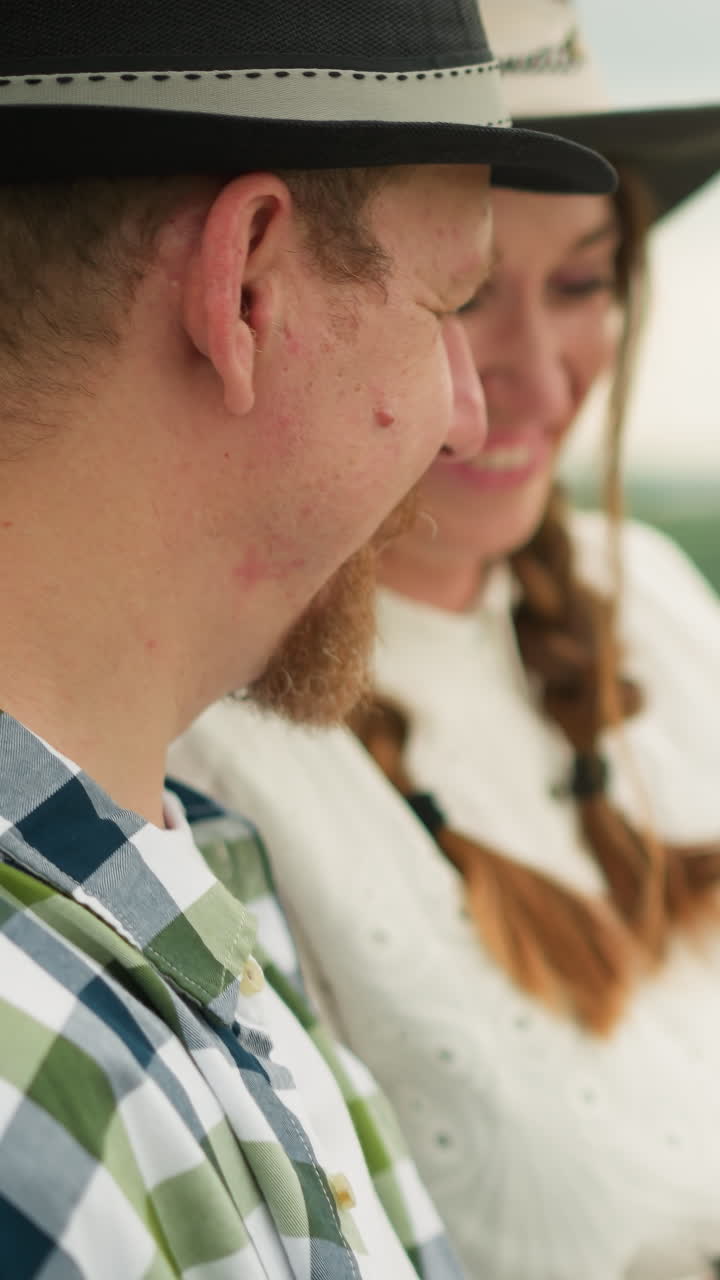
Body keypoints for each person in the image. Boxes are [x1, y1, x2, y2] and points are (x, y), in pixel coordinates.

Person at [0, 2, 617, 1277]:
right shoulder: (42, 1108)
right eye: (449, 300)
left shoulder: (195, 876)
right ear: (247, 287)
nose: (468, 415)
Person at [169, 2, 720, 1277]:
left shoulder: (661, 605)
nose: (526, 370)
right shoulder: (217, 729)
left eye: (582, 281)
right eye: (464, 294)